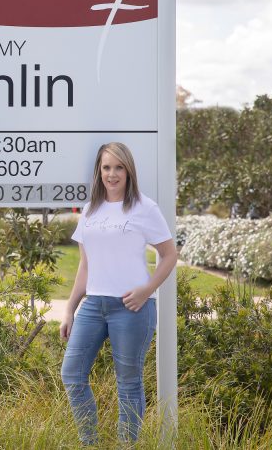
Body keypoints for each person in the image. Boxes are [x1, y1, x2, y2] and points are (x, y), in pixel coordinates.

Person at [60, 142, 177, 445]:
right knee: (71, 373)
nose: (112, 174)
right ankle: (90, 443)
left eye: (118, 167)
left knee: (128, 384)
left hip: (131, 307)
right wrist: (71, 308)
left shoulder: (144, 207)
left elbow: (169, 255)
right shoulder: (90, 210)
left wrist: (146, 290)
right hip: (93, 304)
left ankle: (127, 445)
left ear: (128, 171)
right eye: (106, 167)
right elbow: (85, 265)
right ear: (99, 172)